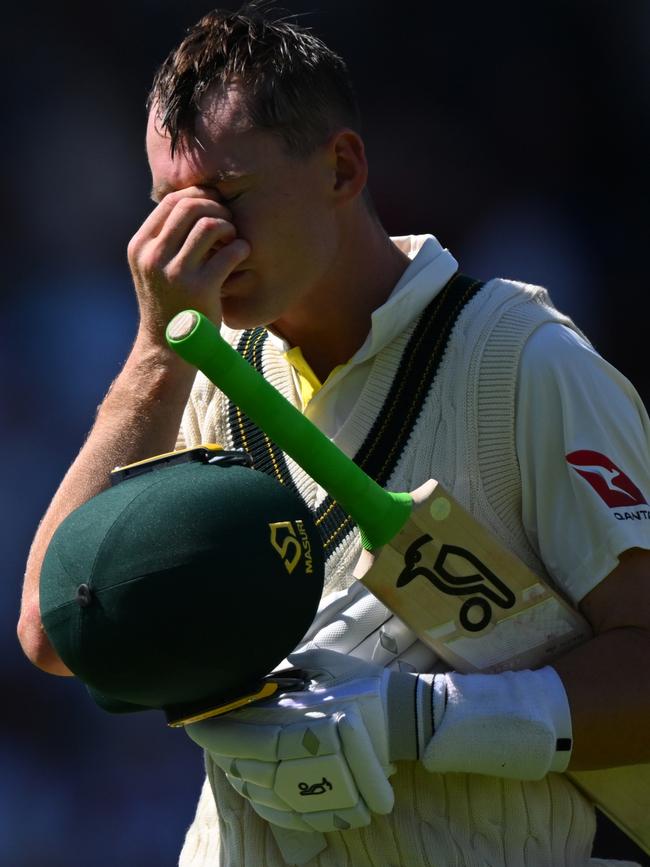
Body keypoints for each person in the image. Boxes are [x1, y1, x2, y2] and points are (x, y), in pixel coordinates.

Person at [17, 4, 650, 866]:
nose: (196, 244)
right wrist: (156, 351)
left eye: (227, 199)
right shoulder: (193, 368)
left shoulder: (527, 362)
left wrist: (418, 716)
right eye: (168, 209)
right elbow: (57, 634)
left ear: (342, 167)